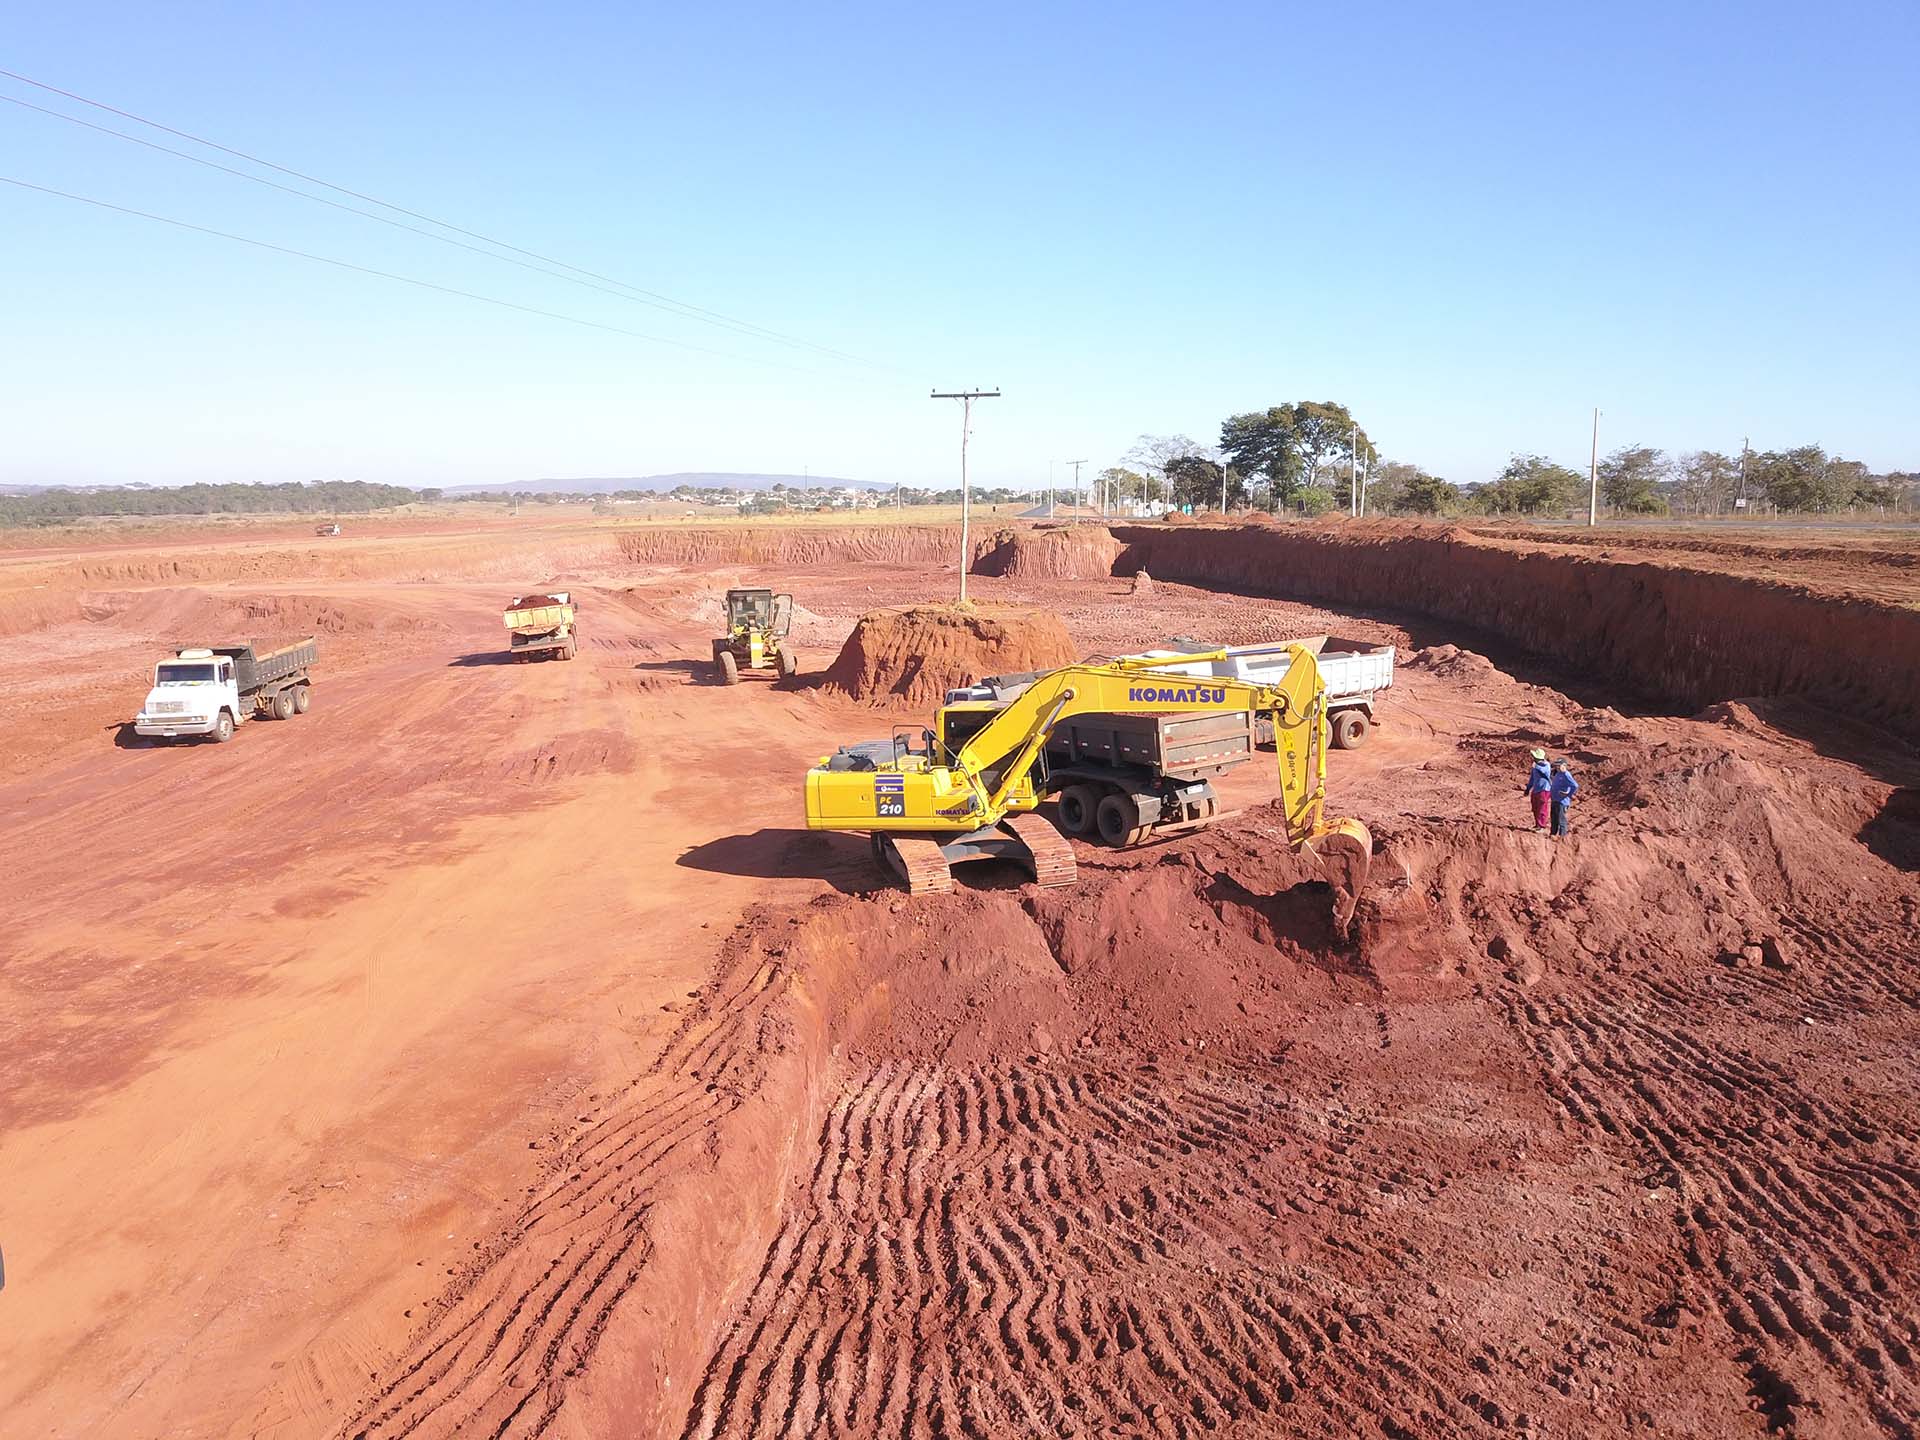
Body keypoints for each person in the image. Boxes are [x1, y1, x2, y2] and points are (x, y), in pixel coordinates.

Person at [1523, 748, 1552, 832]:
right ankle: (1537, 824)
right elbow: (1532, 779)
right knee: (1535, 807)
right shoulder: (1535, 766)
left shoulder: (1546, 765)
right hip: (1536, 789)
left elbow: (1545, 772)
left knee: (1542, 808)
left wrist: (1537, 766)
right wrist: (1528, 788)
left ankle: (1542, 826)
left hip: (1544, 789)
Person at [1550, 760, 1579, 837]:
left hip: (1562, 801)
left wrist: (1568, 794)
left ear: (1564, 765)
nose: (1557, 767)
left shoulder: (1566, 775)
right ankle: (1552, 834)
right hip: (1554, 799)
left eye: (1559, 766)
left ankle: (1562, 837)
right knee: (1554, 819)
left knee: (1561, 819)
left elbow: (1575, 785)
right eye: (1556, 766)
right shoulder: (1558, 773)